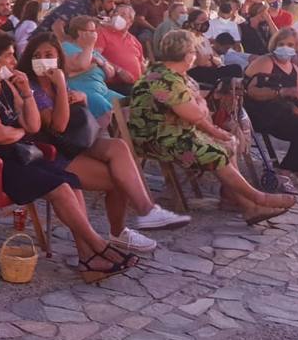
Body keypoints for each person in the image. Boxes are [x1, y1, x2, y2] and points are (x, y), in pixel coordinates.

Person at [0, 31, 140, 281]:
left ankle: (88, 260)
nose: (14, 62)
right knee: (59, 187)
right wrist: (20, 131)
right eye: (8, 57)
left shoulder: (4, 85)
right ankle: (99, 246)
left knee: (71, 181)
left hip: (10, 159)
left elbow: (33, 124)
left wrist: (27, 94)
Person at [20, 33, 189, 252]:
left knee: (119, 147)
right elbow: (58, 126)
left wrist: (82, 98)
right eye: (37, 55)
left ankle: (147, 210)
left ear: (58, 57)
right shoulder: (33, 88)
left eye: (48, 54)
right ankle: (119, 233)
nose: (43, 59)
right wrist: (62, 87)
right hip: (52, 153)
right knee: (119, 179)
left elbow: (78, 119)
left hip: (73, 144)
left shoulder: (56, 84)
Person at [129, 29, 297, 223]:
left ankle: (241, 203)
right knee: (216, 151)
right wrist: (200, 106)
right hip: (156, 138)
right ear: (188, 55)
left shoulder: (177, 75)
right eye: (194, 51)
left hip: (177, 132)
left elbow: (199, 108)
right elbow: (197, 114)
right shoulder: (163, 79)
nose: (196, 55)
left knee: (228, 142)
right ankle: (257, 198)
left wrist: (201, 107)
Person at [243, 27, 298, 187]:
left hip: (284, 112)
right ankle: (285, 172)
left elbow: (297, 96)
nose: (286, 47)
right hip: (262, 112)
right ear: (274, 44)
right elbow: (252, 91)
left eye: (290, 44)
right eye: (282, 43)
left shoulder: (295, 69)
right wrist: (282, 92)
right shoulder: (265, 62)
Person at [61, 15, 118, 122]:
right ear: (80, 32)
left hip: (104, 91)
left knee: (127, 104)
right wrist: (89, 46)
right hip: (85, 93)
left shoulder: (94, 52)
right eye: (91, 31)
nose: (95, 34)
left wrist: (100, 62)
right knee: (105, 107)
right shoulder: (66, 47)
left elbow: (111, 73)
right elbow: (81, 64)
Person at [38, 0, 116, 40]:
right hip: (40, 44)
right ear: (98, 1)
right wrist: (69, 47)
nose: (113, 5)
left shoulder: (91, 10)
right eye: (109, 2)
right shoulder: (77, 6)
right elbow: (56, 26)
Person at [95, 4, 145, 88]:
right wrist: (119, 70)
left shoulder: (134, 40)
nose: (117, 17)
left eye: (123, 15)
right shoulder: (102, 32)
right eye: (115, 13)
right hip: (116, 84)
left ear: (130, 22)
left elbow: (142, 64)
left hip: (136, 85)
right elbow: (95, 55)